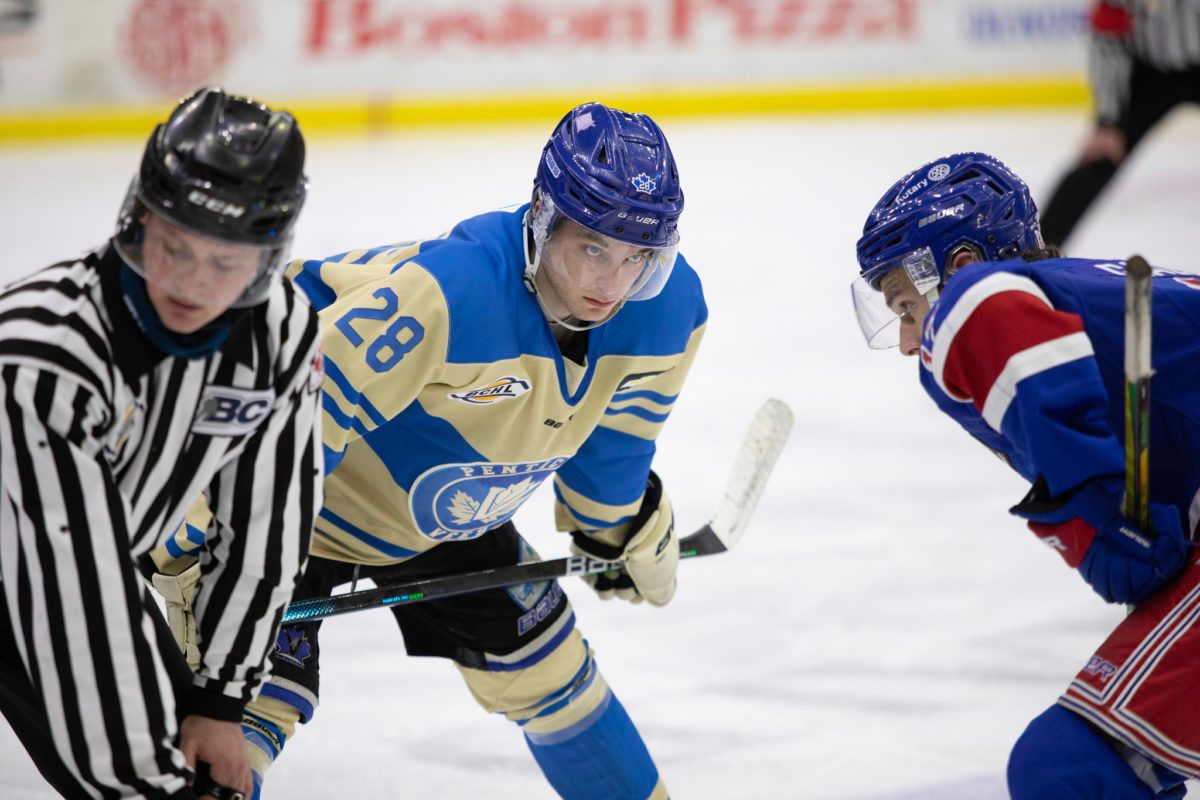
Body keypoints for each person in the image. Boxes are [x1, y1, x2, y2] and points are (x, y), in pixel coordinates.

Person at [154, 100, 706, 799]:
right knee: (239, 708)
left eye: (637, 258)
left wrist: (616, 525)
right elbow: (293, 420)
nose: (611, 283)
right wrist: (207, 527)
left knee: (552, 672)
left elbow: (615, 437)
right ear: (542, 218)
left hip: (440, 510)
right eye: (592, 247)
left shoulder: (668, 309)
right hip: (286, 499)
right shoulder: (450, 294)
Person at [0, 87, 323, 799]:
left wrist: (220, 699)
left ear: (269, 257)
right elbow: (74, 598)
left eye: (226, 261)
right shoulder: (44, 351)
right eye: (175, 246)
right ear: (138, 218)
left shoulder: (279, 334)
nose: (191, 283)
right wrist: (151, 781)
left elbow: (268, 526)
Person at [851, 152, 1200, 798]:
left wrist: (1107, 522)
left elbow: (981, 307)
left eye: (904, 305)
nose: (906, 341)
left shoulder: (977, 294)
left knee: (1070, 768)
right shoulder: (1092, 296)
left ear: (958, 265)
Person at [1038, 0, 1200, 248]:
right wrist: (1107, 122)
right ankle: (1036, 252)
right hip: (1148, 75)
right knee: (1101, 157)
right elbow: (1107, 42)